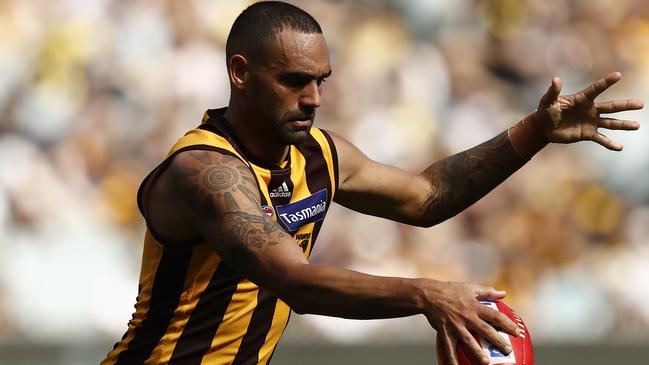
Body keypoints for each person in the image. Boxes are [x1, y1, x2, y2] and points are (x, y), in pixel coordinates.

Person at [101, 2, 643, 365]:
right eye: (294, 81)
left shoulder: (319, 154)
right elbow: (293, 281)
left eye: (321, 81)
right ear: (239, 72)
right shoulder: (206, 172)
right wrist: (426, 295)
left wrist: (534, 131)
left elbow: (427, 197)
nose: (313, 98)